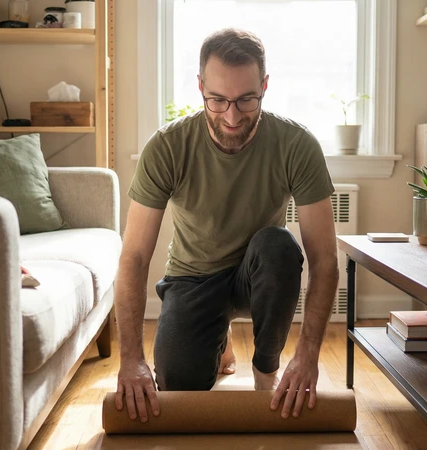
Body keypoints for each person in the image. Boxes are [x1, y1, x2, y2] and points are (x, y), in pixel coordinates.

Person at [113, 28, 339, 424]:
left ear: (264, 87)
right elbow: (133, 257)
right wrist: (131, 360)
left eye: (246, 100)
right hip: (193, 279)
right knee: (179, 384)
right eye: (217, 100)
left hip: (257, 273)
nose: (232, 117)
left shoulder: (296, 145)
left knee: (280, 248)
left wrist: (306, 358)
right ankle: (219, 342)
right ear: (200, 87)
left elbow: (325, 260)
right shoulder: (167, 148)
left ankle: (264, 372)